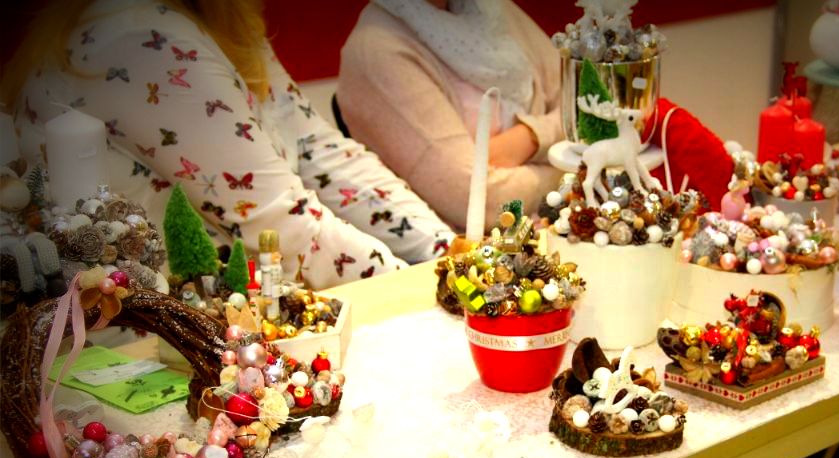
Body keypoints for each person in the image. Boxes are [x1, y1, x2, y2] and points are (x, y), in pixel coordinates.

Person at [3, 0, 456, 289]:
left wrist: (447, 252)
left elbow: (322, 153)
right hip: (154, 341)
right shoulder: (136, 36)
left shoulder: (215, 21)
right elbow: (283, 227)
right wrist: (438, 288)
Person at [336, 0, 564, 230]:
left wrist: (530, 137)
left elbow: (577, 102)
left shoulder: (489, 8)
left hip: (553, 218)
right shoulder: (376, 50)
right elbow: (483, 202)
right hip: (469, 245)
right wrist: (570, 166)